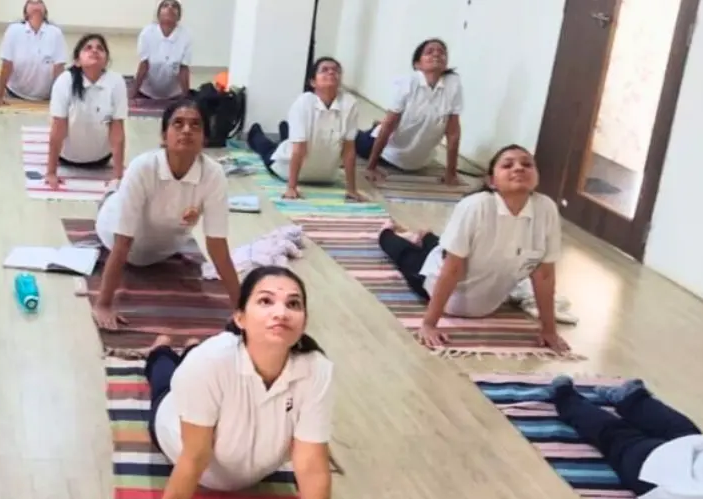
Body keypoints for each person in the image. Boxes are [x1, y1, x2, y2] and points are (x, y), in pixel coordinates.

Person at [141, 266, 340, 499]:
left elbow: (311, 464)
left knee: (201, 356)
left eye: (293, 304)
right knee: (164, 381)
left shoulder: (317, 370)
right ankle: (160, 349)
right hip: (174, 428)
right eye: (266, 301)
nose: (281, 312)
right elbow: (194, 457)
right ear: (240, 318)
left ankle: (188, 345)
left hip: (242, 451)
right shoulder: (209, 363)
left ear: (304, 321)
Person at [375, 144, 569, 352]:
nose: (519, 168)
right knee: (405, 254)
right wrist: (429, 324)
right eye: (508, 165)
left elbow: (545, 275)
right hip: (441, 280)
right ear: (491, 181)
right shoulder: (475, 206)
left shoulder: (546, 208)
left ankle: (425, 236)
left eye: (527, 164)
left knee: (446, 244)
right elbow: (452, 268)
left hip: (486, 298)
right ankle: (387, 232)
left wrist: (549, 330)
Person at [93, 99, 240, 330]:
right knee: (115, 201)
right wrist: (103, 304)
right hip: (114, 231)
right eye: (178, 124)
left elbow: (217, 245)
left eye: (195, 125)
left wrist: (241, 308)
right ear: (164, 136)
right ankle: (112, 190)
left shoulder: (214, 174)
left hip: (164, 248)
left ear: (205, 138)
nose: (186, 130)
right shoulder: (143, 167)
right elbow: (122, 242)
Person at [547, 375, 703, 499]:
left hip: (660, 478)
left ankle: (566, 398)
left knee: (618, 436)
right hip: (689, 462)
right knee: (679, 428)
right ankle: (630, 399)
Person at [245, 56, 364, 201]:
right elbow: (298, 149)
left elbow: (349, 149)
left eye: (335, 71)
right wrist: (291, 188)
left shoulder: (349, 103)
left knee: (292, 137)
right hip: (287, 169)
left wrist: (352, 189)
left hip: (326, 176)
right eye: (324, 70)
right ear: (313, 82)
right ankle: (255, 133)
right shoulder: (304, 102)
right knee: (266, 147)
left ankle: (285, 129)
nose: (331, 73)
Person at [356, 38, 462, 186]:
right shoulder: (407, 82)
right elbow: (388, 126)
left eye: (441, 52)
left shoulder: (453, 83)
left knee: (395, 122)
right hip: (387, 152)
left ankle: (377, 124)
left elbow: (453, 133)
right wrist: (371, 167)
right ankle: (373, 128)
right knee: (351, 138)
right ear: (417, 64)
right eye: (429, 52)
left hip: (418, 162)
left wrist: (451, 173)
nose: (436, 54)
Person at [43, 34, 127, 190]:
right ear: (77, 61)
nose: (94, 51)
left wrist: (118, 176)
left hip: (101, 159)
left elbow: (117, 132)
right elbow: (58, 128)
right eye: (88, 48)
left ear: (106, 61)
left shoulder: (116, 82)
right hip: (67, 158)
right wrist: (51, 172)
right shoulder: (64, 81)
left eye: (100, 48)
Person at [0, 0, 66, 105]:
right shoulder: (14, 30)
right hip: (16, 92)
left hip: (46, 95)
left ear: (45, 11)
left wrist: (61, 99)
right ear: (25, 12)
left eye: (39, 2)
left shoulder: (55, 33)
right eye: (32, 2)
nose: (36, 5)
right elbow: (6, 65)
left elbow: (59, 68)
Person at [130, 0, 191, 100]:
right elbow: (144, 65)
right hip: (147, 91)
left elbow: (183, 69)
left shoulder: (186, 35)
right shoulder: (147, 33)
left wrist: (186, 98)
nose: (170, 8)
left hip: (174, 93)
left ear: (179, 16)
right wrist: (132, 94)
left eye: (174, 6)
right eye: (165, 5)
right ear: (158, 14)